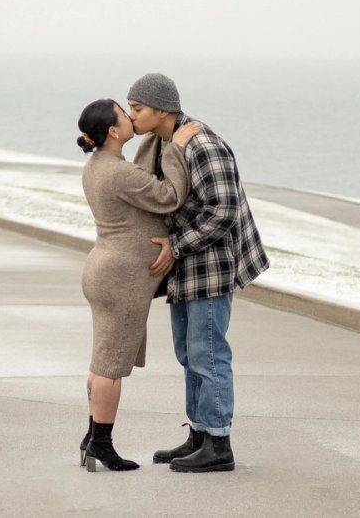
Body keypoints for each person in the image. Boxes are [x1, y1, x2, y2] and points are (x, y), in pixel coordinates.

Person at [127, 73, 269, 473]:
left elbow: (223, 210)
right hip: (186, 268)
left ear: (162, 110)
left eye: (138, 108)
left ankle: (219, 444)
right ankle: (199, 434)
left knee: (208, 353)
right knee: (188, 354)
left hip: (210, 265)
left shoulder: (202, 145)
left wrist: (175, 245)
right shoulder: (163, 144)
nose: (132, 116)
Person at [75, 98, 201, 472]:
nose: (131, 117)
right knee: (110, 366)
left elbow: (139, 177)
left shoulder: (99, 165)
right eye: (124, 114)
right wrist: (176, 148)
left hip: (104, 271)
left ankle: (91, 439)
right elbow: (169, 196)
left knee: (102, 362)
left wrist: (158, 138)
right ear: (113, 131)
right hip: (121, 278)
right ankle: (101, 444)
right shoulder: (118, 173)